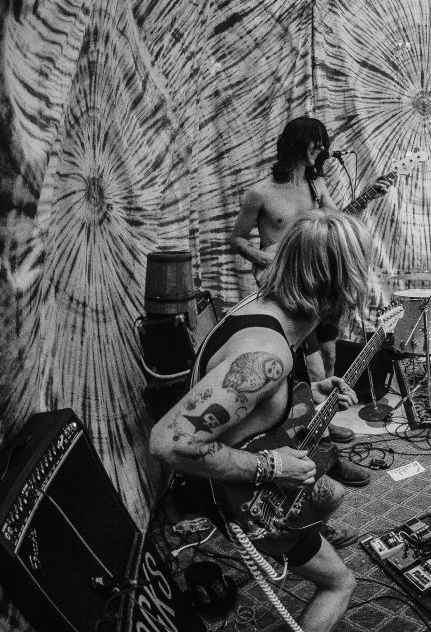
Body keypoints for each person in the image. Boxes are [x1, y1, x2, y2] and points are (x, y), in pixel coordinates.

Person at [151, 211, 374, 632]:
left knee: (332, 494)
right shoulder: (266, 355)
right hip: (238, 497)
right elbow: (169, 443)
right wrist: (273, 466)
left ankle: (302, 538)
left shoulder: (264, 309)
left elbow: (248, 403)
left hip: (241, 475)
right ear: (342, 284)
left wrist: (308, 393)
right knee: (341, 584)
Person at [231, 117, 392, 376]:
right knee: (314, 368)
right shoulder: (260, 193)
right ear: (295, 142)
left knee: (329, 357)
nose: (322, 148)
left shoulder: (317, 186)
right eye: (315, 142)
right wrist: (264, 259)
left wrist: (367, 196)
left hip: (318, 283)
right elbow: (237, 239)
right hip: (288, 288)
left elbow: (339, 223)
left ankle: (325, 400)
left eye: (323, 143)